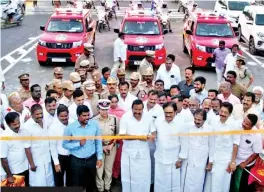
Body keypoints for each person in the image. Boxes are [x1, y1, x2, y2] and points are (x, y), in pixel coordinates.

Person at [63, 105, 103, 192]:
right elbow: (65, 144)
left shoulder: (94, 124)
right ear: (78, 116)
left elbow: (98, 141)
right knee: (77, 185)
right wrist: (78, 144)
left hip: (91, 160)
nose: (87, 118)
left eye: (88, 115)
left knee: (91, 185)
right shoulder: (70, 127)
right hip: (76, 161)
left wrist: (99, 158)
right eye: (84, 116)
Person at [119, 99, 155, 192]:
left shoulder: (148, 117)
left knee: (144, 177)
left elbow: (153, 131)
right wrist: (139, 137)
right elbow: (122, 135)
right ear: (132, 108)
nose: (138, 112)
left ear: (143, 109)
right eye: (136, 110)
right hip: (129, 154)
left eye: (140, 110)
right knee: (129, 179)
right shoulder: (125, 117)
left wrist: (152, 136)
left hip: (144, 153)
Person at [204, 102, 240, 192]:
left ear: (230, 114)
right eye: (222, 111)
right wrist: (210, 159)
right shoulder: (214, 120)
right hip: (213, 157)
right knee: (209, 183)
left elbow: (236, 144)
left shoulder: (234, 125)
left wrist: (232, 162)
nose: (223, 114)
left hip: (224, 160)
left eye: (225, 112)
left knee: (220, 184)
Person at [152, 102, 188, 192]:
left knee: (172, 184)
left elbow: (185, 143)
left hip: (174, 160)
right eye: (166, 113)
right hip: (160, 157)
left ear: (175, 111)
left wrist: (180, 159)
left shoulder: (181, 123)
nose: (168, 115)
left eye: (170, 113)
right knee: (159, 182)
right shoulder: (158, 120)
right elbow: (153, 131)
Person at [23, 104, 54, 186]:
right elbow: (27, 148)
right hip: (36, 161)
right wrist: (32, 164)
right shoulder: (26, 127)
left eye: (41, 113)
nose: (40, 116)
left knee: (49, 182)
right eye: (37, 114)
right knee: (38, 183)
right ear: (32, 114)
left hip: (47, 158)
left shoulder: (45, 121)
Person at [230, 114, 262, 192]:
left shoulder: (256, 135)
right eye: (244, 121)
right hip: (232, 159)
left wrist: (245, 163)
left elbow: (256, 153)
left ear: (252, 126)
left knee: (239, 186)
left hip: (244, 164)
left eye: (247, 124)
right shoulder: (238, 124)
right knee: (229, 183)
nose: (243, 124)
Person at [184, 109, 213, 192]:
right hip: (189, 160)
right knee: (187, 182)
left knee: (198, 182)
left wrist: (210, 162)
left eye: (199, 120)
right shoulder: (189, 127)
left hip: (201, 161)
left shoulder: (209, 130)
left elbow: (212, 146)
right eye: (195, 119)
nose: (196, 121)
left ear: (204, 120)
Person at [93, 99, 119, 192]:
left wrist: (112, 145)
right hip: (99, 147)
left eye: (106, 109)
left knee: (109, 169)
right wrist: (102, 147)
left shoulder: (114, 119)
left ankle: (107, 188)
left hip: (111, 146)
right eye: (102, 109)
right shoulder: (94, 121)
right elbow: (93, 137)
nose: (105, 111)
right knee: (99, 170)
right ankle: (100, 188)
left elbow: (117, 134)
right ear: (98, 109)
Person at [1, 112, 29, 186]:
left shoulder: (21, 130)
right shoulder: (4, 137)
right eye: (14, 124)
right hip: (15, 172)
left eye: (18, 123)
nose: (18, 126)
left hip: (26, 168)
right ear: (8, 124)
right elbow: (3, 159)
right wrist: (9, 175)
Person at [49, 104, 72, 187]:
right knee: (59, 181)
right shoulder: (53, 128)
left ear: (68, 114)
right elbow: (52, 146)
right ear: (57, 116)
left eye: (66, 115)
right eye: (61, 116)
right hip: (59, 158)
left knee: (71, 180)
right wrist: (56, 163)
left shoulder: (73, 123)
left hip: (71, 157)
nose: (64, 118)